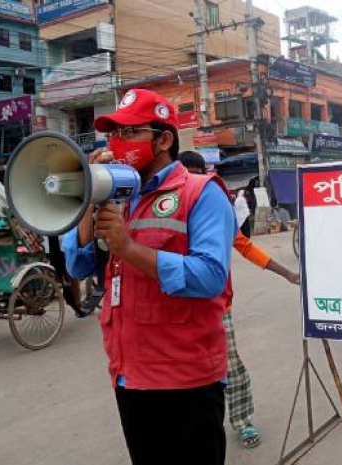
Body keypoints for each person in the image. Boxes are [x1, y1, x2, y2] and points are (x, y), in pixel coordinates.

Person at [62, 89, 236, 465]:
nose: (117, 144)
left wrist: (128, 248)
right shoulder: (117, 196)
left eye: (129, 133)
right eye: (113, 134)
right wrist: (89, 204)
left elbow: (210, 276)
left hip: (186, 380)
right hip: (129, 375)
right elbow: (77, 267)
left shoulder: (201, 194)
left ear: (164, 139)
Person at [179, 150, 301, 448]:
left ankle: (242, 420)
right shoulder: (166, 211)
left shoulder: (215, 212)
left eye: (198, 175)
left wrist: (286, 273)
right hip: (175, 308)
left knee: (230, 366)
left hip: (217, 306)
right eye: (187, 176)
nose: (193, 183)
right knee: (183, 374)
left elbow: (246, 247)